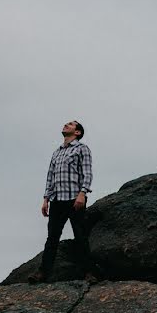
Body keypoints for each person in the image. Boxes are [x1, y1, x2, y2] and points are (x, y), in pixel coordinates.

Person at [28, 120, 99, 284]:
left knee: (80, 236)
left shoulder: (82, 149)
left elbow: (87, 173)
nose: (66, 125)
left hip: (75, 199)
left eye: (70, 124)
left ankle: (89, 272)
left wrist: (83, 193)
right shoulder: (56, 153)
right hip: (57, 201)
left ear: (78, 132)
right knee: (52, 238)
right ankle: (42, 273)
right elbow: (50, 177)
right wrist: (46, 199)